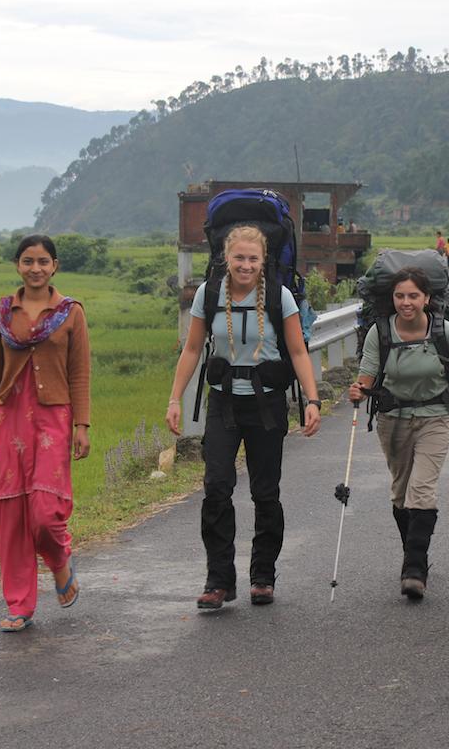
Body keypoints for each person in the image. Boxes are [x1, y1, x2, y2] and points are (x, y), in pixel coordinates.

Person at [166, 225, 322, 609]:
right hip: (223, 401)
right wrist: (174, 399)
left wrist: (312, 400)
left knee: (265, 493)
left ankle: (263, 576)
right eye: (239, 258)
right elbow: (191, 350)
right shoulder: (210, 294)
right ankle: (219, 580)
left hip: (266, 403)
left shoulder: (278, 296)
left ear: (262, 260)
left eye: (253, 259)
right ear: (226, 257)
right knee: (216, 487)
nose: (246, 265)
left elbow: (298, 352)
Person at [0, 234, 90, 632]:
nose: (35, 268)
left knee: (44, 513)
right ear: (17, 266)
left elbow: (80, 373)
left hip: (53, 421)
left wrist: (82, 426)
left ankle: (59, 560)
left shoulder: (71, 313)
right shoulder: (3, 312)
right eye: (27, 261)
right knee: (10, 517)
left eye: (42, 261)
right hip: (9, 420)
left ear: (55, 266)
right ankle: (19, 604)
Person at [348, 267, 449, 600]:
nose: (406, 302)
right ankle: (414, 554)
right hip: (392, 419)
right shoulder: (379, 332)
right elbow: (367, 375)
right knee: (401, 492)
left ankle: (414, 567)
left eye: (414, 295)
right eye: (400, 296)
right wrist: (358, 391)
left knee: (421, 489)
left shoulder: (445, 331)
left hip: (435, 417)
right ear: (392, 298)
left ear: (427, 298)